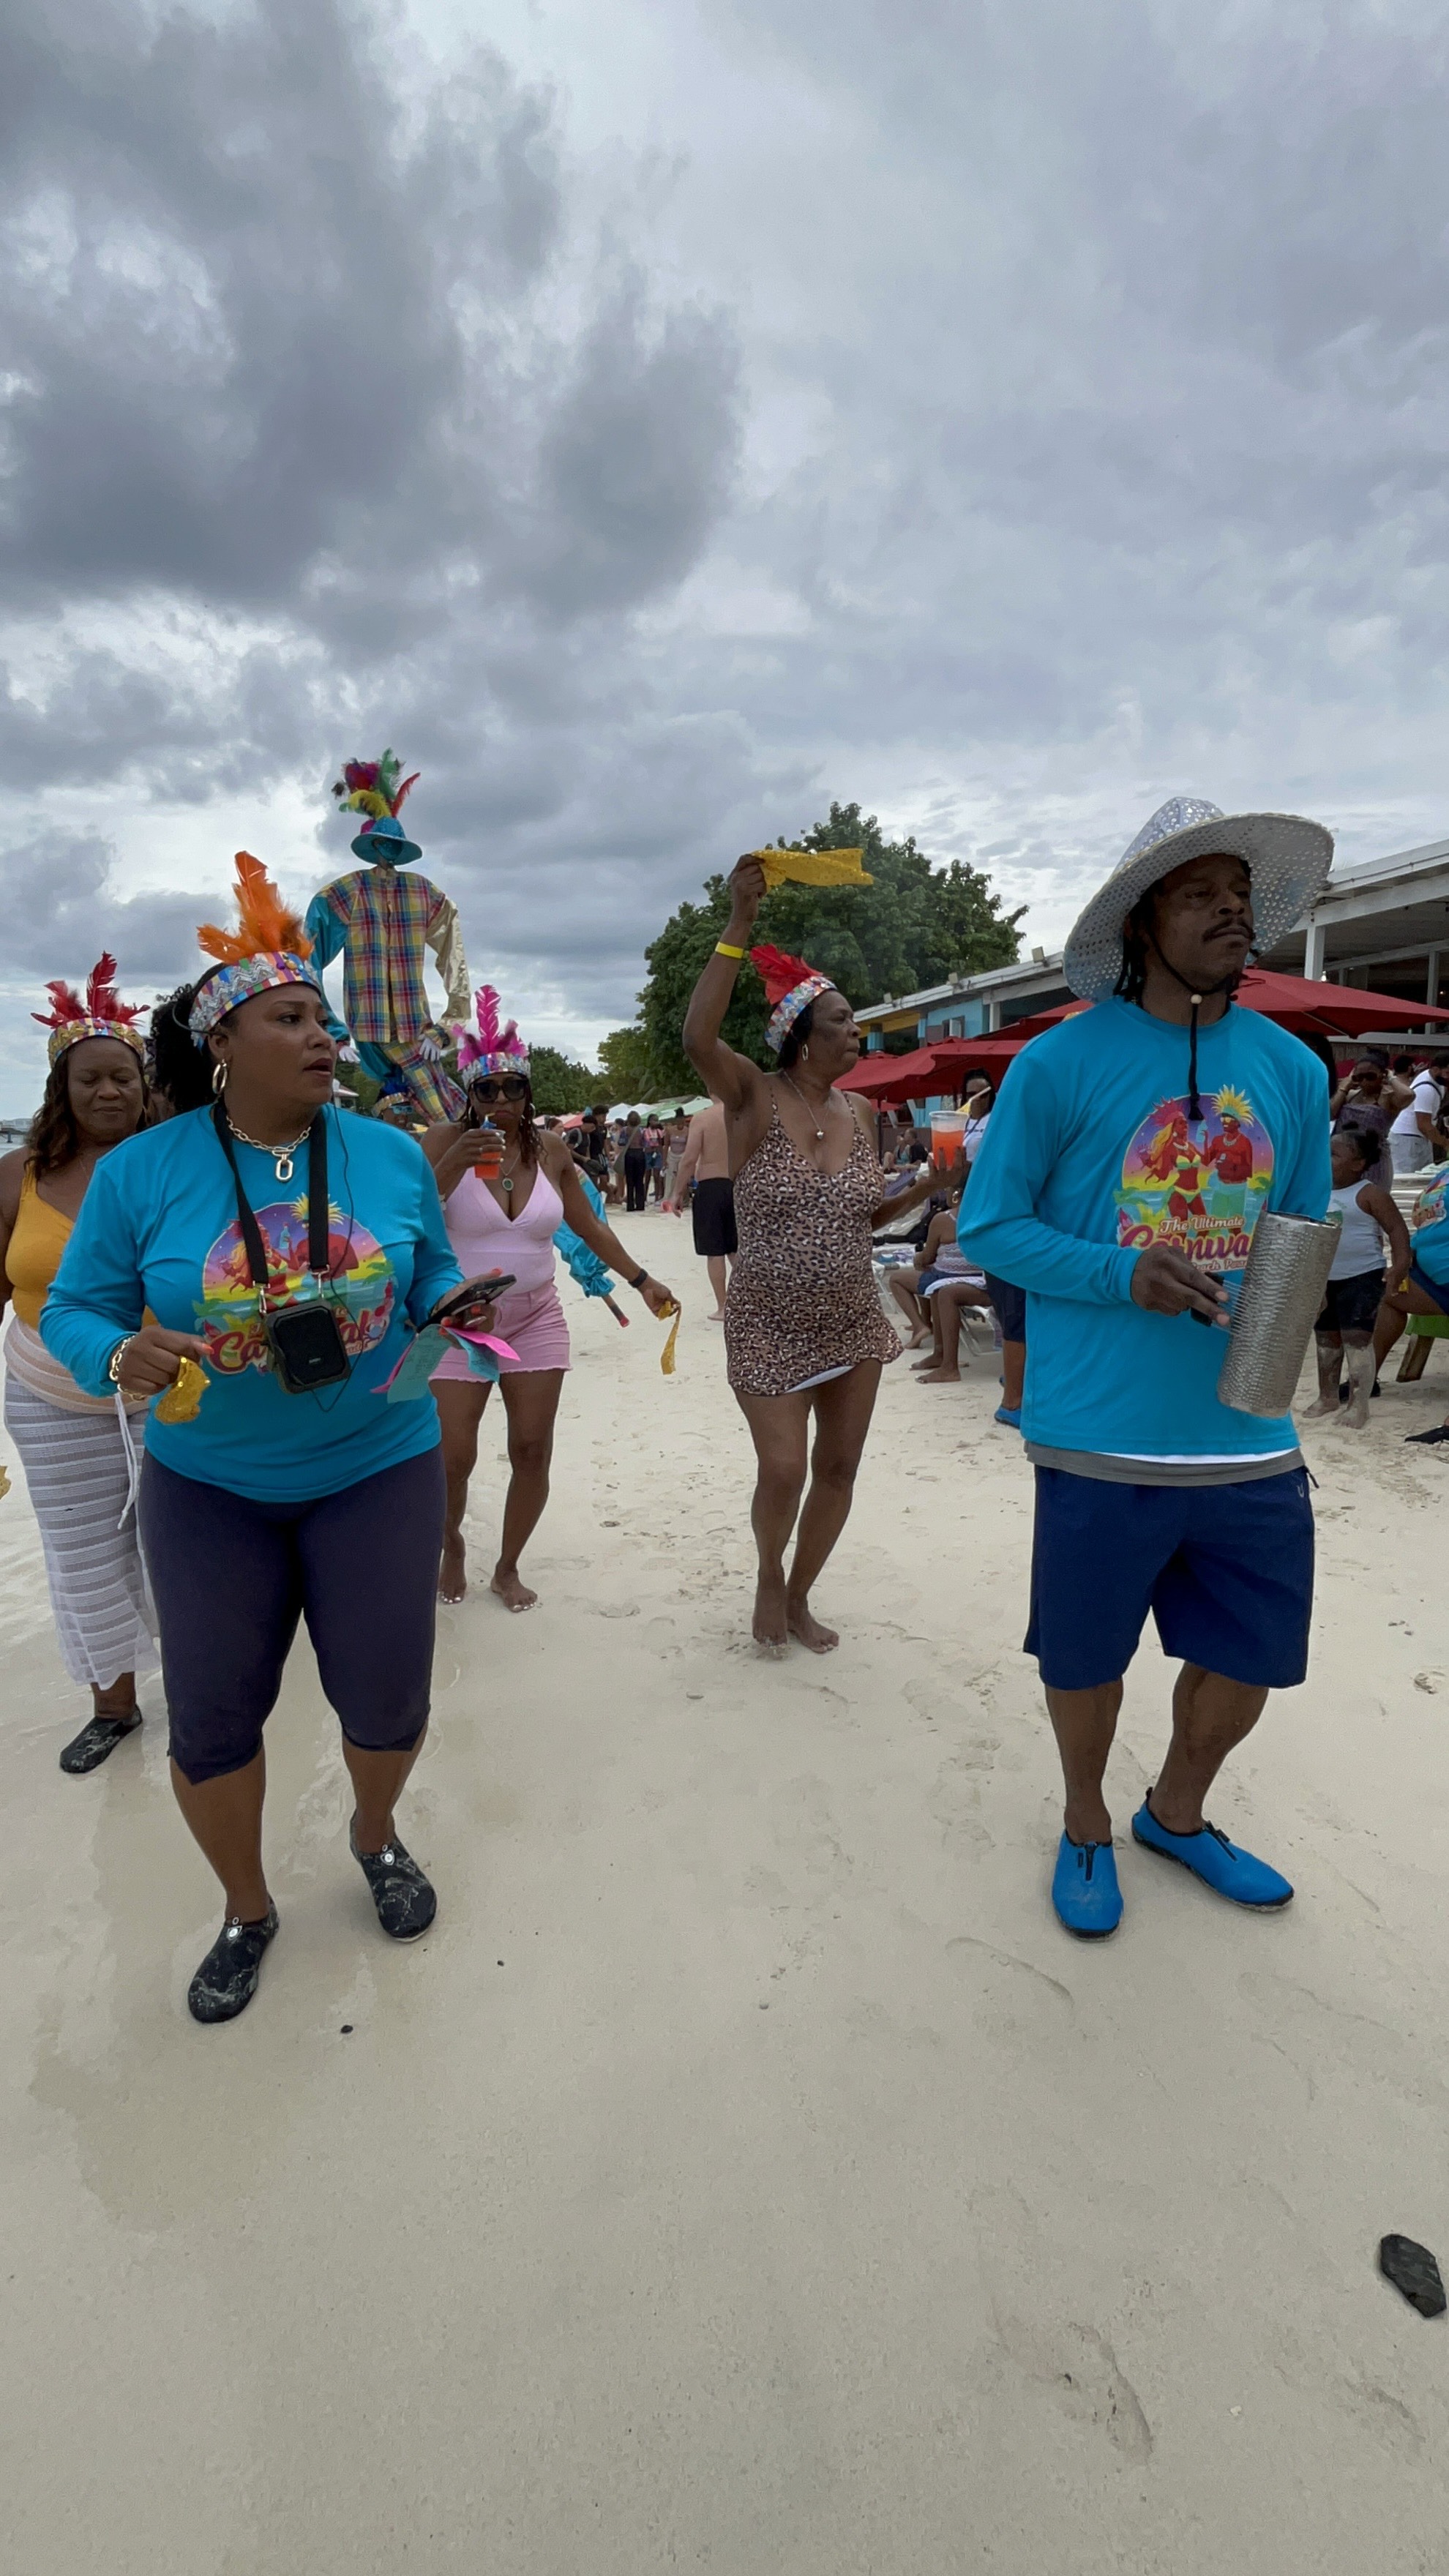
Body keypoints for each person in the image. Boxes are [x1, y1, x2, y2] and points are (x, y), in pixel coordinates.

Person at [40, 855, 505, 2026]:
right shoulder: (144, 1170)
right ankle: (247, 1909)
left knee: (387, 1697)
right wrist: (116, 1352)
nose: (323, 1036)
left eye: (323, 1019)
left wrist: (447, 1303)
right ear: (224, 1043)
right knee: (210, 1720)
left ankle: (374, 1835)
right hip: (210, 1485)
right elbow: (74, 1308)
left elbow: (427, 1265)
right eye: (291, 1019)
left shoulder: (389, 1151)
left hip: (379, 1465)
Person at [960, 795, 1333, 1939]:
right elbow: (990, 1227)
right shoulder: (1058, 1063)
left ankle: (1176, 1812)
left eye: (1240, 896)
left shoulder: (1291, 1070)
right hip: (1099, 1432)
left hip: (1246, 1432)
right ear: (1140, 924)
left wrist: (1279, 1353)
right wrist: (1124, 1273)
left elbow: (1300, 1234)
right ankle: (1085, 1824)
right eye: (1198, 895)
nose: (1230, 912)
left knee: (1252, 1659)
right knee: (1085, 1656)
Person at [682, 861, 953, 1652]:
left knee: (838, 1470)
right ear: (802, 1035)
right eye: (842, 1020)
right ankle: (770, 1572)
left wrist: (929, 1185)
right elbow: (697, 1036)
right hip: (767, 1320)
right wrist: (739, 922)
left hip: (851, 1321)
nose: (856, 1030)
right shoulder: (752, 1095)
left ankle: (799, 1595)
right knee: (783, 1472)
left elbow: (864, 1216)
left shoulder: (861, 1110)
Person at [422, 991, 674, 1608]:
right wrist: (453, 1164)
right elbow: (408, 1216)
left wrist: (642, 1281)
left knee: (532, 1449)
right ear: (469, 1094)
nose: (501, 1101)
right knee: (452, 1458)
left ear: (527, 1093)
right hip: (457, 1321)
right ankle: (450, 1543)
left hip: (535, 1316)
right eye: (487, 1090)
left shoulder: (552, 1150)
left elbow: (588, 1227)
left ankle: (508, 1566)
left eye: (512, 1088)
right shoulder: (440, 1142)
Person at [0, 959, 157, 1773]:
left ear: (144, 1085)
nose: (108, 1092)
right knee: (84, 1556)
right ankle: (113, 1706)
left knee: (186, 1548)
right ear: (61, 1089)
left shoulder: (178, 1164)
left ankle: (211, 1687)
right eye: (89, 1078)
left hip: (170, 1390)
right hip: (48, 1394)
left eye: (122, 1077)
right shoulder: (16, 1176)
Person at [1301, 1126, 1409, 1426]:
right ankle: (1327, 1396)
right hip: (1324, 1278)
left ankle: (1358, 1403)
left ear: (1358, 1164)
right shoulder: (1316, 1191)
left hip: (1362, 1276)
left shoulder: (1370, 1194)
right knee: (1326, 1338)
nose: (1325, 1159)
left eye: (1334, 1155)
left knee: (1357, 1339)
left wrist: (1400, 1264)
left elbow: (1397, 1230)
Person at [670, 1096, 737, 1319]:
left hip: (711, 1186)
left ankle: (723, 1307)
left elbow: (689, 1159)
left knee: (715, 1251)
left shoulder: (704, 1118)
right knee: (737, 1249)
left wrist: (678, 1192)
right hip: (738, 1184)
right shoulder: (743, 1114)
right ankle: (750, 1303)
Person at [1388, 1055, 1445, 1175]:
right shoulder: (1426, 1089)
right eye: (1448, 1073)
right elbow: (1424, 1125)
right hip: (1407, 1140)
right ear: (1436, 1070)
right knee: (1406, 1180)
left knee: (1425, 1177)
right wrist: (1445, 1144)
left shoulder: (1436, 1080)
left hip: (1421, 1138)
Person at [618, 1112, 650, 1213]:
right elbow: (646, 1143)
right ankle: (640, 1204)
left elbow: (621, 1142)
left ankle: (630, 1205)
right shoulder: (642, 1130)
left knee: (630, 1180)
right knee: (640, 1180)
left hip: (629, 1154)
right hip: (640, 1154)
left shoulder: (625, 1130)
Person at [662, 1109, 691, 1207]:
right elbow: (666, 1145)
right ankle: (669, 1198)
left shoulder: (687, 1131)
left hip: (683, 1154)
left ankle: (683, 1199)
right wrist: (664, 1160)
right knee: (670, 1178)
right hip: (672, 1155)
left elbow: (689, 1145)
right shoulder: (670, 1130)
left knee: (682, 1177)